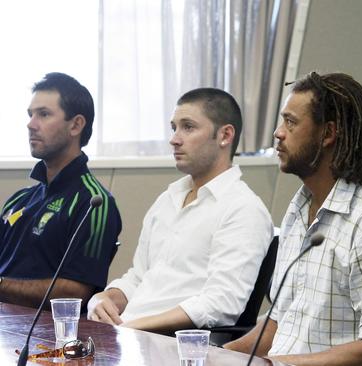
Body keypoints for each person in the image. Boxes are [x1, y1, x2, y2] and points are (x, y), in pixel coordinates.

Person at [225, 72, 362, 365]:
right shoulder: (300, 207)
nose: (278, 133)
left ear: (328, 133)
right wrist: (218, 356)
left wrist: (277, 365)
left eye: (291, 122)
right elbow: (280, 321)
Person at [87, 88, 273, 334]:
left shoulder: (244, 209)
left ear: (225, 135)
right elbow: (139, 279)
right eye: (173, 127)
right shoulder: (168, 199)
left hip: (172, 345)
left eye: (188, 127)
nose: (174, 138)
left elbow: (221, 303)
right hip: (131, 335)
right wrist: (104, 298)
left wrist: (133, 327)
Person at [0, 72, 122, 308]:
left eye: (43, 114)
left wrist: (1, 286)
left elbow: (75, 293)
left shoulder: (94, 202)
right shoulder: (19, 199)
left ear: (76, 125)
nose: (31, 124)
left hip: (45, 338)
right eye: (30, 114)